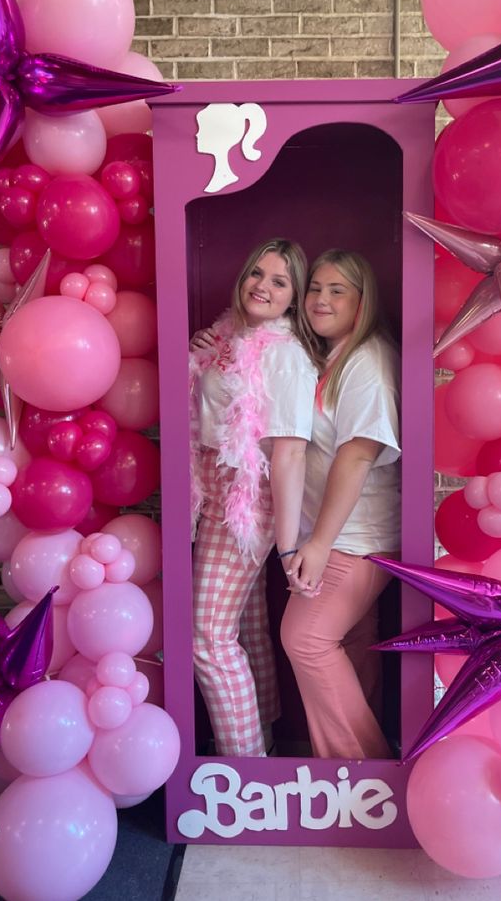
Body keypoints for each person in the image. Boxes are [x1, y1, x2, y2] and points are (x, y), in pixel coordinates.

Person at [189, 238, 319, 757]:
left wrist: (288, 548)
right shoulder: (228, 336)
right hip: (215, 483)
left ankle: (244, 768)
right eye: (256, 274)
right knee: (244, 623)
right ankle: (261, 735)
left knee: (208, 638)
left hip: (250, 496)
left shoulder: (285, 356)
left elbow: (289, 454)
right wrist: (202, 356)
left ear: (294, 297)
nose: (262, 287)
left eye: (279, 281)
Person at [281, 249, 401, 760]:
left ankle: (364, 770)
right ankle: (359, 775)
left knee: (304, 639)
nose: (321, 299)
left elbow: (357, 456)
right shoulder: (337, 356)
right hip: (346, 536)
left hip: (354, 538)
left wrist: (319, 544)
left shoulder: (368, 361)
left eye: (338, 291)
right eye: (316, 289)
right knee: (349, 645)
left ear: (362, 301)